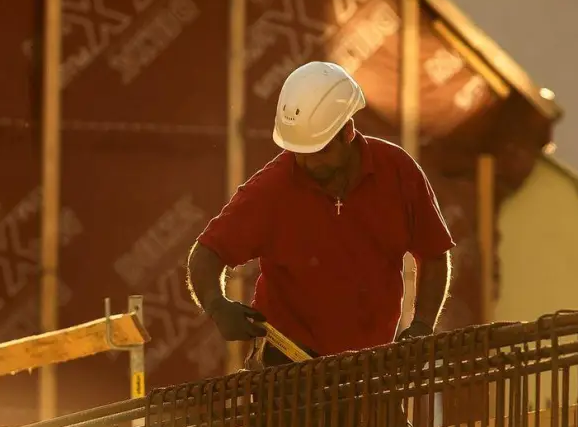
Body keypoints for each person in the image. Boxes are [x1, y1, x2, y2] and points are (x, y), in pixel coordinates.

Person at [185, 61, 454, 368]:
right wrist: (216, 305)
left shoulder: (398, 172)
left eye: (321, 151)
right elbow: (206, 254)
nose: (310, 163)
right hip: (286, 366)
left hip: (371, 367)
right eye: (301, 152)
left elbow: (434, 253)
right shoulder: (271, 190)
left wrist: (422, 326)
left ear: (347, 132)